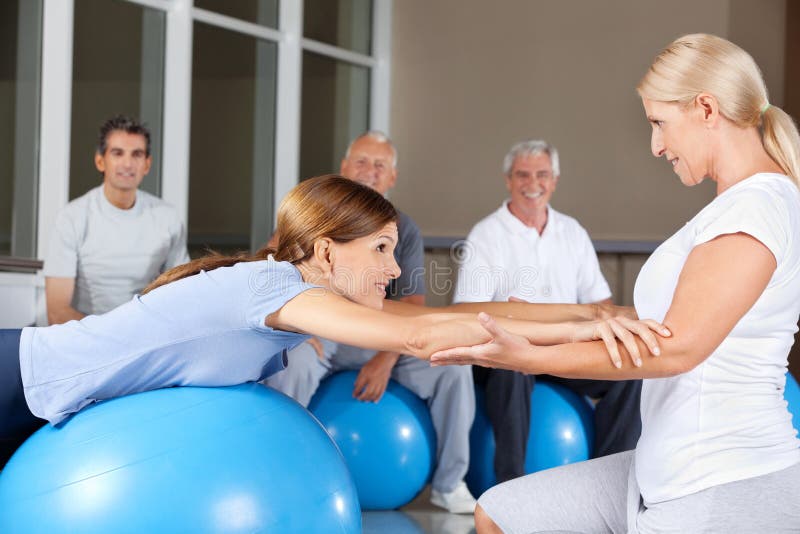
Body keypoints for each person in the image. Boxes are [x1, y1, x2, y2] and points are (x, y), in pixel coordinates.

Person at [0, 176, 666, 472]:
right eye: (380, 250)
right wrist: (573, 338)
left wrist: (594, 314)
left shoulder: (289, 289)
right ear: (325, 251)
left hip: (40, 400)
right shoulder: (275, 288)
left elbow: (458, 314)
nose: (393, 269)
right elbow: (422, 335)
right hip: (17, 378)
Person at [431, 34, 800, 533]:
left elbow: (676, 348)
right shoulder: (735, 206)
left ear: (706, 109)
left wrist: (528, 357)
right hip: (663, 468)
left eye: (659, 123)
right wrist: (539, 324)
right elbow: (641, 320)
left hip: (723, 480)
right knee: (498, 512)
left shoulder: (754, 209)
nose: (656, 146)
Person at [266, 131, 479, 513]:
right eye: (362, 162)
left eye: (380, 165)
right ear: (345, 167)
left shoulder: (403, 228)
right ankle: (279, 480)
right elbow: (270, 263)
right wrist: (294, 324)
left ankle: (449, 484)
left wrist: (385, 358)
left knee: (454, 367)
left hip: (377, 334)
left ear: (392, 177)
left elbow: (412, 304)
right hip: (322, 330)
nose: (370, 171)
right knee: (291, 363)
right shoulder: (315, 214)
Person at [453, 139, 642, 484]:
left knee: (629, 372)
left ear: (554, 181)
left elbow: (601, 304)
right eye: (522, 175)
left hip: (564, 348)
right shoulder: (486, 234)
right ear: (508, 180)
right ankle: (510, 487)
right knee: (512, 369)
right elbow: (467, 310)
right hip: (504, 352)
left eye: (542, 175)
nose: (533, 183)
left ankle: (610, 480)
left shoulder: (572, 232)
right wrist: (521, 326)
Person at [44, 115, 189, 325]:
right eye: (117, 153)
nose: (128, 164)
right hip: (87, 336)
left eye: (137, 154)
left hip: (145, 332)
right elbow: (57, 313)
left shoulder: (167, 218)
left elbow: (182, 294)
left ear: (147, 164)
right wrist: (112, 336)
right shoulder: (72, 218)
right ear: (100, 161)